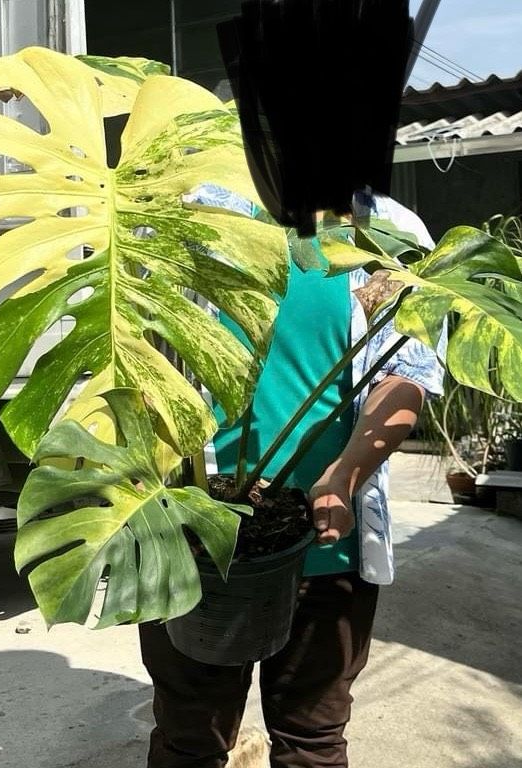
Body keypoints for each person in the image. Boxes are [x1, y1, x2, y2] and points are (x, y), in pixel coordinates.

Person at [138, 187, 445, 768]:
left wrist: (345, 473)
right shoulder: (195, 204)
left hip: (327, 529)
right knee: (189, 737)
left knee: (312, 738)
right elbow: (138, 347)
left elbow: (406, 374)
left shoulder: (390, 231)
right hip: (196, 526)